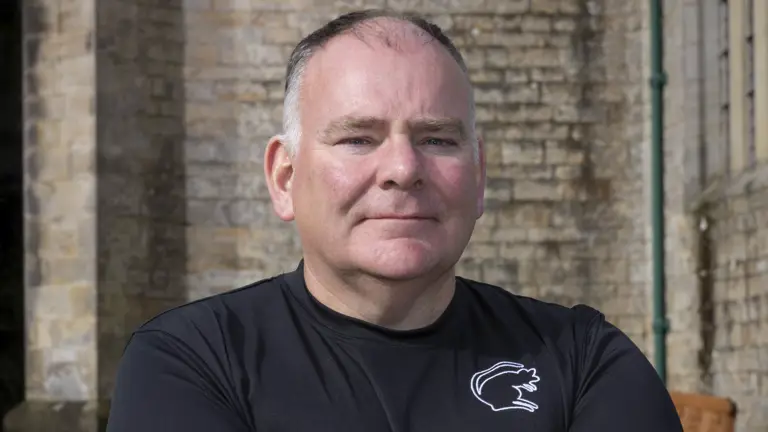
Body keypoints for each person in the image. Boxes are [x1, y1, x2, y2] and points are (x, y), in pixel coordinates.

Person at [106, 9, 683, 432]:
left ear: (479, 176)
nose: (403, 169)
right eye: (358, 139)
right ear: (284, 177)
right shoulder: (194, 362)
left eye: (437, 139)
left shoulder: (582, 361)